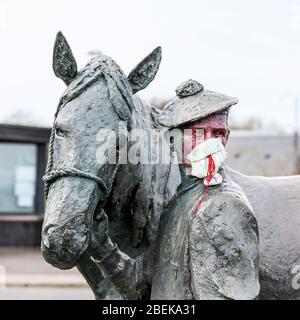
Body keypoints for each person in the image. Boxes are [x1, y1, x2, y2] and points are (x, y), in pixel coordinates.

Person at [88, 80, 260, 300]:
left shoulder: (224, 206)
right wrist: (103, 246)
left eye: (218, 133)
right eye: (197, 133)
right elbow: (142, 284)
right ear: (172, 141)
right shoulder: (178, 203)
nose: (210, 142)